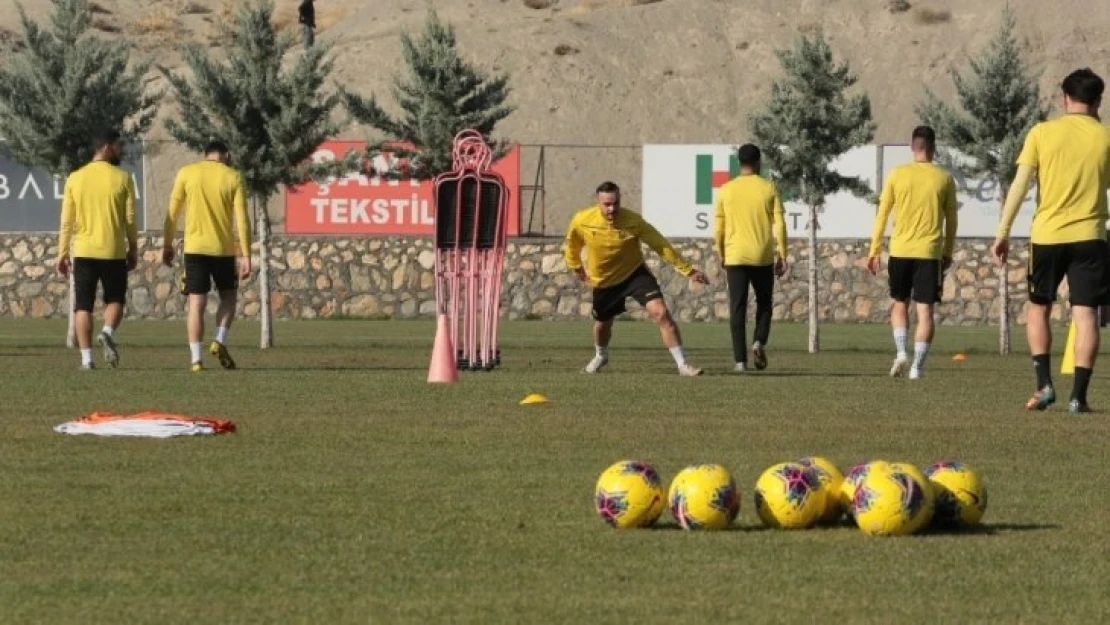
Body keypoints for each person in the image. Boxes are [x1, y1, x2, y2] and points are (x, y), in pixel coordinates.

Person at [993, 68, 1110, 413]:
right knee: (1086, 315)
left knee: (1038, 308)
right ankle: (1078, 397)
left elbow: (1019, 185)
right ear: (1098, 101)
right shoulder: (1105, 138)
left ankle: (1044, 386)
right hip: (1090, 238)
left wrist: (1002, 232)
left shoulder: (1042, 133)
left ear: (1064, 98)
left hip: (1046, 238)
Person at [564, 181, 709, 376]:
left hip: (634, 274)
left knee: (661, 312)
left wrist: (688, 271)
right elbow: (572, 245)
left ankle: (683, 365)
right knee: (602, 325)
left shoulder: (633, 221)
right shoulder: (582, 220)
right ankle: (601, 355)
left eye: (615, 203)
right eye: (607, 204)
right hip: (604, 281)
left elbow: (661, 245)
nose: (612, 208)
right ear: (598, 202)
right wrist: (576, 266)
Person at [868, 125, 958, 380]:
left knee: (899, 303)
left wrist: (874, 250)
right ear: (933, 149)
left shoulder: (897, 174)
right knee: (925, 311)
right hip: (929, 253)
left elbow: (882, 214)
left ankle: (900, 352)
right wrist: (948, 250)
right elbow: (951, 220)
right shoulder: (943, 178)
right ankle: (917, 367)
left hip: (900, 250)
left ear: (912, 147)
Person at [163, 140, 252, 372]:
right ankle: (219, 340)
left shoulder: (187, 173)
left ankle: (195, 360)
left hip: (194, 249)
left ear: (205, 155)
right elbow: (242, 219)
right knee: (229, 298)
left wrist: (167, 244)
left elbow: (172, 213)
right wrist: (246, 254)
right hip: (222, 250)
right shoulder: (234, 177)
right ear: (226, 154)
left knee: (196, 304)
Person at [56, 130, 138, 370]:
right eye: (118, 145)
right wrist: (133, 248)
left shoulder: (75, 178)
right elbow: (130, 218)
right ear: (106, 148)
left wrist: (62, 253)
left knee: (83, 306)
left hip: (83, 251)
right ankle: (107, 331)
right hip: (112, 251)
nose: (121, 149)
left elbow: (66, 220)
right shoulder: (123, 178)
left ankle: (87, 360)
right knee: (116, 301)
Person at [713, 144, 788, 373]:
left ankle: (740, 362)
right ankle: (758, 341)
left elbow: (719, 228)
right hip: (761, 256)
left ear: (739, 162)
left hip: (735, 256)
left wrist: (721, 253)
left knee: (738, 308)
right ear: (759, 162)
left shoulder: (725, 190)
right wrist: (783, 254)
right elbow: (780, 225)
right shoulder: (769, 188)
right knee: (764, 304)